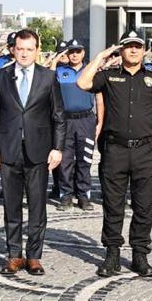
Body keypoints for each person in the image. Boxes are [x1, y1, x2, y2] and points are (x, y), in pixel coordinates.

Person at [77, 30, 152, 277]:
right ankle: (112, 254)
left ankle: (140, 254)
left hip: (145, 150)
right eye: (128, 46)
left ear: (144, 50)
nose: (133, 50)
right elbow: (82, 83)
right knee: (113, 204)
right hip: (115, 149)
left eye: (137, 46)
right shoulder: (107, 76)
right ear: (121, 49)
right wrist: (101, 56)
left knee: (143, 205)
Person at [0, 29, 64, 276]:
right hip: (8, 150)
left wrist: (58, 148)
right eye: (20, 49)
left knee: (38, 206)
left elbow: (58, 116)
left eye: (30, 49)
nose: (25, 54)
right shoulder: (1, 76)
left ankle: (35, 256)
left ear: (37, 51)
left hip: (38, 150)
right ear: (13, 49)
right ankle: (14, 255)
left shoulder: (48, 77)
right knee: (11, 205)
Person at [50, 39, 102, 210]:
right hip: (65, 121)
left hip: (86, 120)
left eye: (77, 51)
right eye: (71, 51)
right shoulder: (59, 72)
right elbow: (46, 80)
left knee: (85, 159)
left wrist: (100, 122)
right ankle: (65, 195)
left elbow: (99, 100)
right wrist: (56, 60)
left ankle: (83, 195)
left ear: (83, 53)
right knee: (65, 160)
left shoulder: (91, 71)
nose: (74, 55)